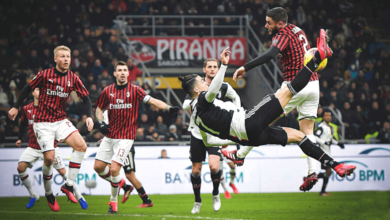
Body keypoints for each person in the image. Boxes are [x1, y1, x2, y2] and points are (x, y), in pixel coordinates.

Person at [180, 44, 355, 193]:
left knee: (298, 135)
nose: (204, 82)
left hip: (248, 138)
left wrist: (228, 142)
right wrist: (224, 66)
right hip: (247, 123)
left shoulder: (196, 116)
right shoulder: (202, 99)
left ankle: (336, 165)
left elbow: (209, 142)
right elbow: (212, 90)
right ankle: (317, 58)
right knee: (288, 90)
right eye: (201, 82)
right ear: (196, 90)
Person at [233, 7, 327, 191]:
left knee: (262, 119)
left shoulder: (283, 34)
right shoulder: (298, 30)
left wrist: (246, 67)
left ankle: (240, 154)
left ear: (280, 24)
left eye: (269, 22)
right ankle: (312, 171)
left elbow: (270, 55)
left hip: (294, 85)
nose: (266, 25)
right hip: (313, 84)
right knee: (307, 131)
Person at [8, 45, 94, 212]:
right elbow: (27, 88)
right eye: (62, 56)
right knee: (49, 159)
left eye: (68, 56)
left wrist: (89, 116)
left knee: (82, 146)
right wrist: (16, 107)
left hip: (60, 120)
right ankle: (48, 194)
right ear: (55, 59)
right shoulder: (45, 74)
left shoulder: (73, 78)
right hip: (42, 123)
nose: (66, 59)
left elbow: (86, 99)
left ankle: (68, 186)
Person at [94, 61, 180, 213]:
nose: (122, 73)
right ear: (114, 73)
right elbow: (99, 109)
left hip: (126, 137)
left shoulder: (135, 90)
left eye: (124, 70)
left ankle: (113, 203)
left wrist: (168, 107)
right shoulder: (108, 90)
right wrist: (101, 123)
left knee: (114, 169)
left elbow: (152, 100)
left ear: (128, 73)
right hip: (110, 135)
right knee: (98, 167)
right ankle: (124, 185)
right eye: (119, 70)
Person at [182, 57, 241, 214]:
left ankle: (216, 194)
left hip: (214, 133)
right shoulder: (198, 86)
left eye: (216, 66)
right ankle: (197, 201)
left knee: (215, 167)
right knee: (196, 171)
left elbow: (236, 97)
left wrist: (237, 113)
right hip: (197, 133)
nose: (213, 69)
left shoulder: (223, 86)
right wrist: (197, 101)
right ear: (205, 69)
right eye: (210, 66)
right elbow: (185, 104)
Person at [16, 87, 87, 210]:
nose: (39, 92)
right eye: (37, 90)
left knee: (64, 173)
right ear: (32, 93)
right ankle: (34, 195)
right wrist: (19, 138)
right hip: (33, 146)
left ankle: (80, 196)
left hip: (51, 147)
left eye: (41, 90)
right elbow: (23, 123)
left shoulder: (49, 107)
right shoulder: (27, 109)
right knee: (20, 168)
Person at [313, 111, 345, 196]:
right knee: (328, 171)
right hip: (323, 153)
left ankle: (321, 189)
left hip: (328, 152)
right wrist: (323, 142)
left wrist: (338, 144)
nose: (328, 117)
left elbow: (330, 139)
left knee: (328, 172)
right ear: (323, 117)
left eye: (329, 116)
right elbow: (315, 137)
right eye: (326, 115)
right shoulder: (321, 127)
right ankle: (319, 188)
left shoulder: (330, 127)